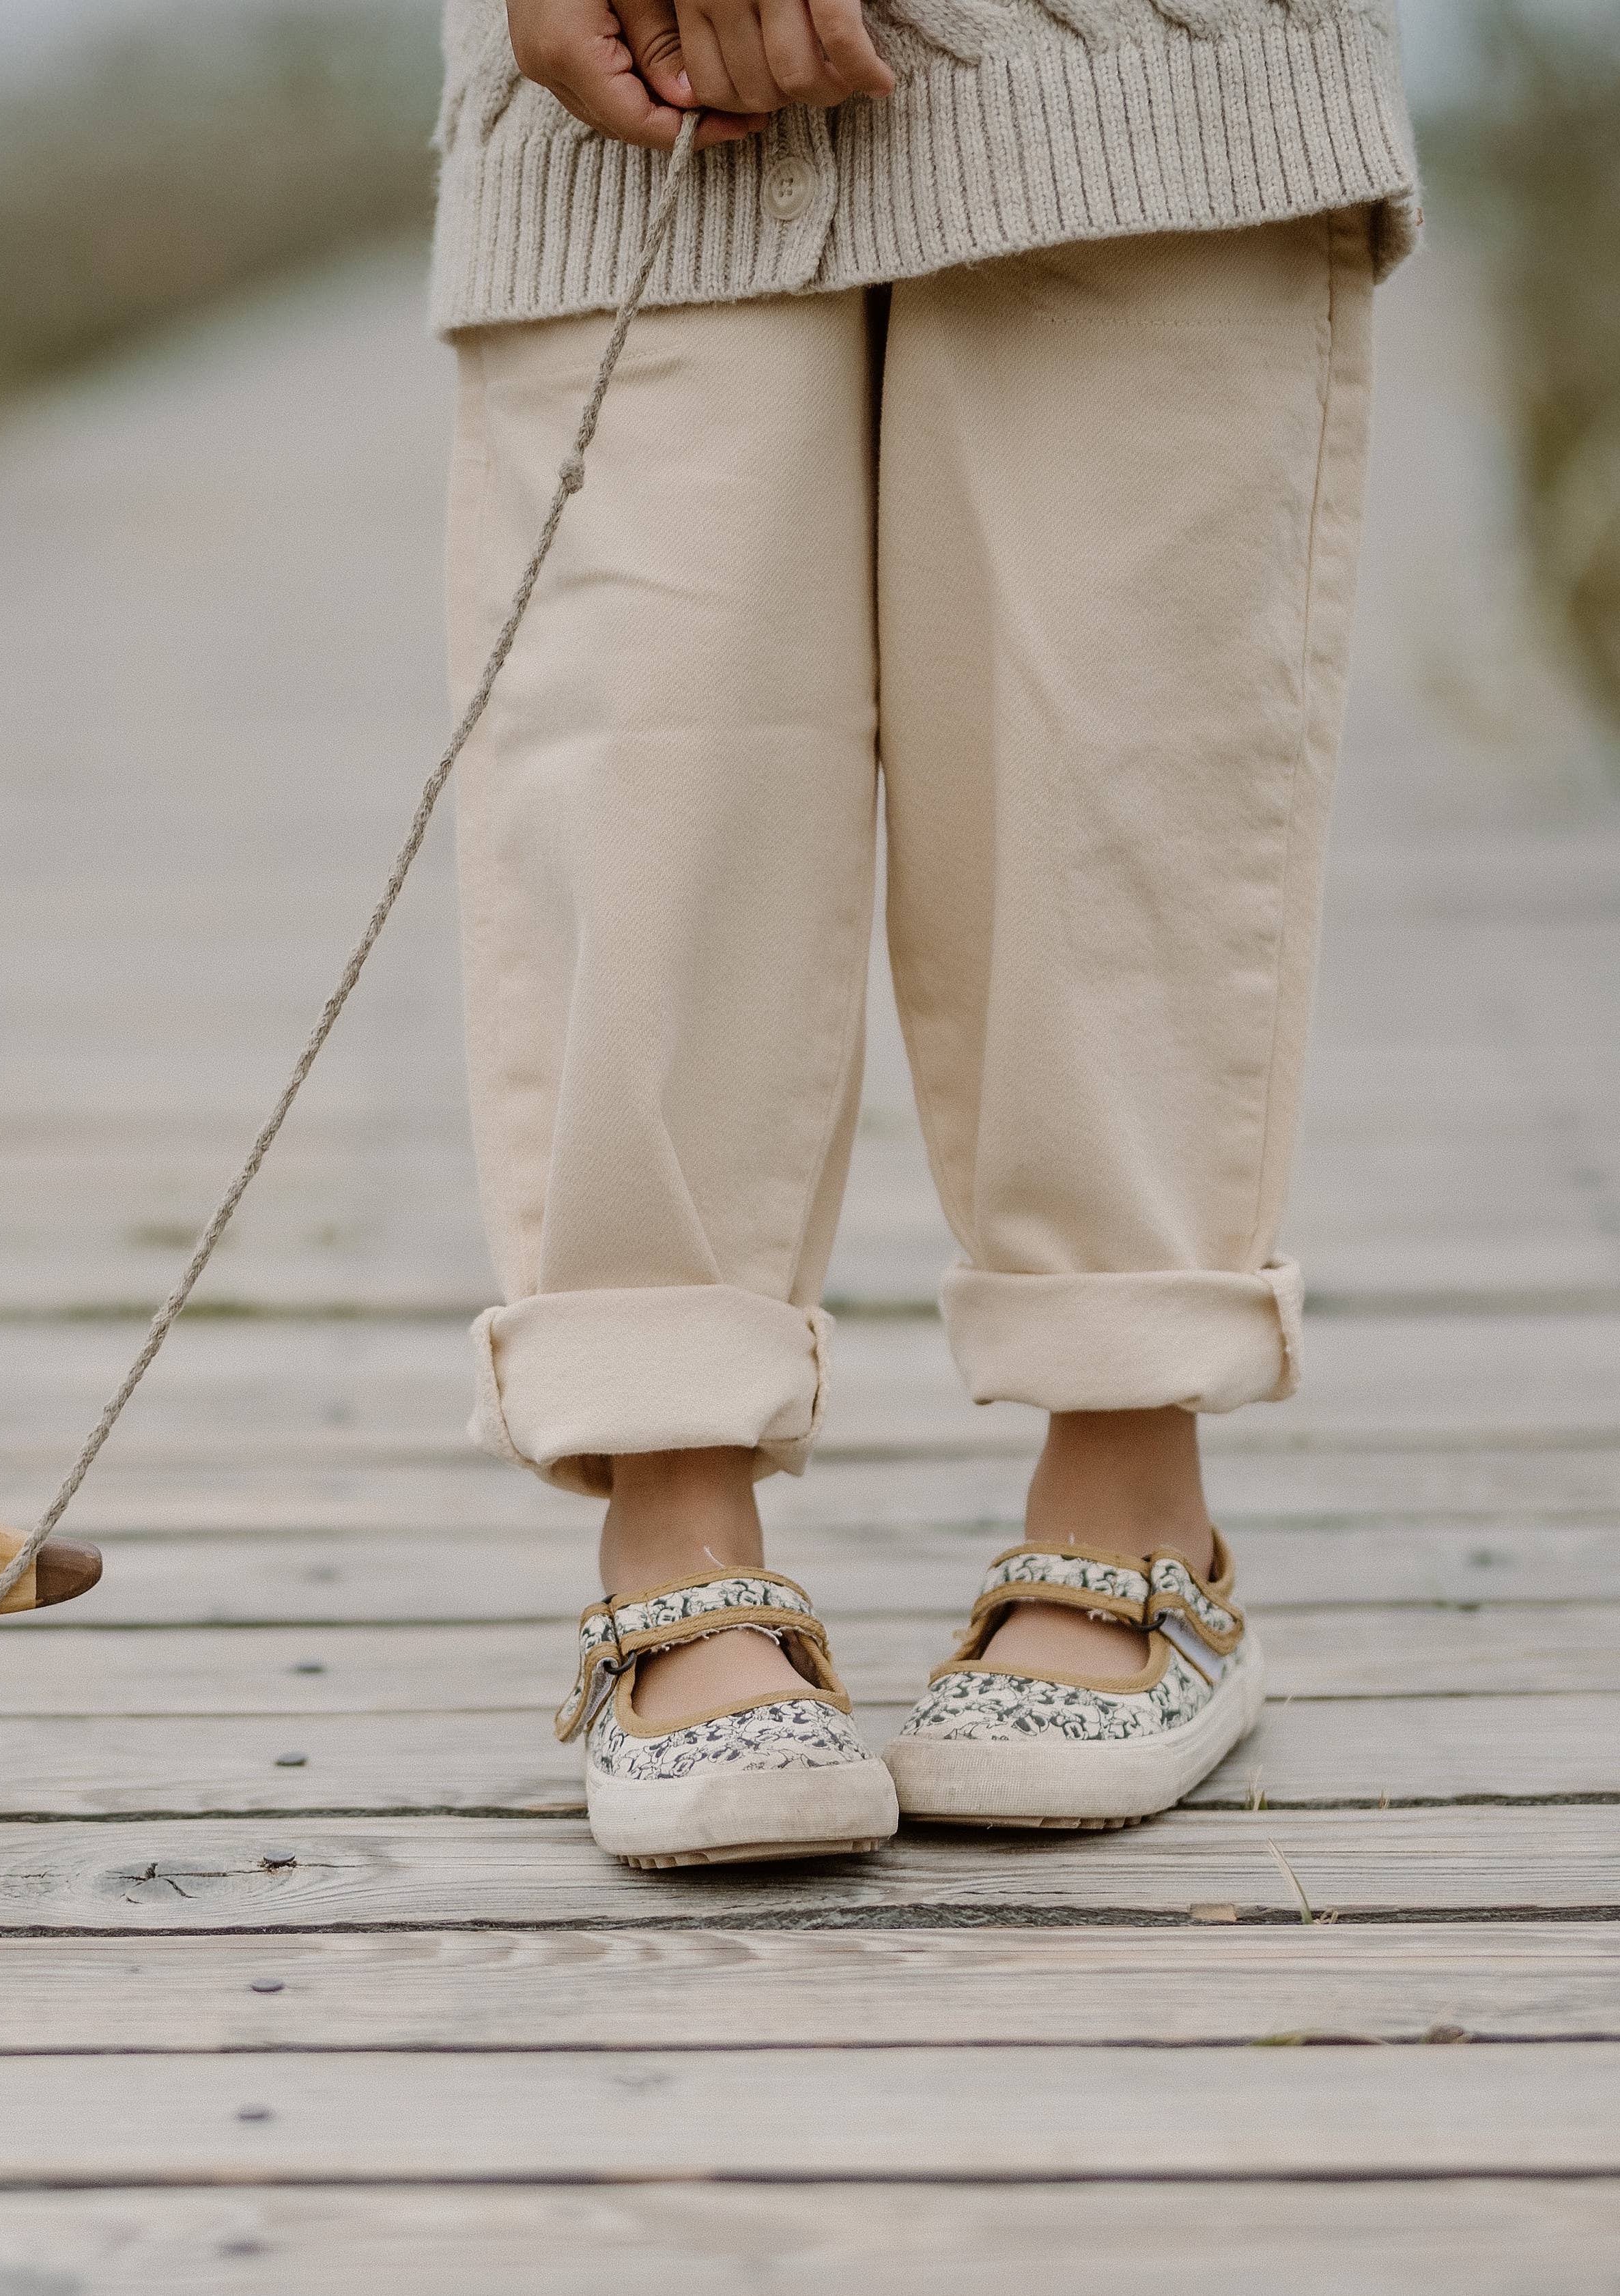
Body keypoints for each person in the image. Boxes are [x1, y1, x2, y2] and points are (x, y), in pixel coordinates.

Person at [440, 0, 1417, 1866]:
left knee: (1117, 729)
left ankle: (1137, 1489)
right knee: (656, 740)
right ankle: (672, 1507)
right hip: (635, 78)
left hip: (1142, 54)